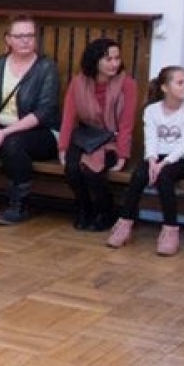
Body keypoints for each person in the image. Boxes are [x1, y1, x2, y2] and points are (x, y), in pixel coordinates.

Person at [0, 15, 61, 225]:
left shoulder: (46, 68)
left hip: (39, 132)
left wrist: (5, 132)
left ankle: (20, 204)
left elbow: (44, 112)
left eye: (30, 35)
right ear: (8, 39)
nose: (26, 40)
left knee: (13, 143)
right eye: (19, 36)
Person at [108, 66, 184, 255]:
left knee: (164, 177)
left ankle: (170, 229)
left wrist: (163, 164)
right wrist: (151, 161)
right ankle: (125, 223)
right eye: (180, 82)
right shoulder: (151, 110)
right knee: (139, 175)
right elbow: (151, 139)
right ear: (165, 88)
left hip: (181, 160)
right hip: (156, 157)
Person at [59, 37, 138, 232]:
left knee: (93, 172)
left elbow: (127, 123)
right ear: (95, 60)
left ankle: (106, 212)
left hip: (112, 139)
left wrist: (122, 154)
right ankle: (84, 208)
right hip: (86, 136)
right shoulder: (78, 82)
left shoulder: (127, 84)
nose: (114, 64)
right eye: (108, 59)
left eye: (117, 58)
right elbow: (68, 117)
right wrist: (63, 146)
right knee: (72, 169)